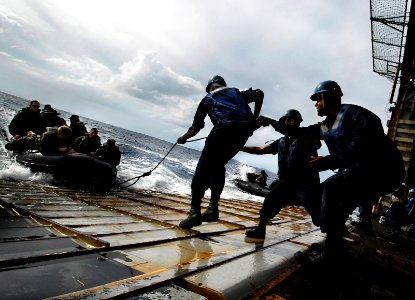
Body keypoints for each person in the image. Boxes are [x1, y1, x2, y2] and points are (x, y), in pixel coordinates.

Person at [258, 80, 405, 259]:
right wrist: (273, 122)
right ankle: (334, 247)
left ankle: (331, 254)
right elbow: (301, 132)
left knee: (332, 188)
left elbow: (362, 148)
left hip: (385, 169)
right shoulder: (326, 125)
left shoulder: (356, 115)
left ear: (329, 97)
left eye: (318, 99)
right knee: (335, 200)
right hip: (364, 171)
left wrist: (327, 161)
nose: (315, 103)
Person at [176, 75, 264, 229]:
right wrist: (254, 118)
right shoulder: (237, 93)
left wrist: (183, 138)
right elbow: (259, 94)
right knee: (218, 167)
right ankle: (212, 208)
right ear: (223, 84)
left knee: (201, 171)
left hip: (222, 131)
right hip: (242, 134)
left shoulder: (208, 98)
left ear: (210, 87)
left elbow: (195, 128)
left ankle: (194, 213)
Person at [243, 109, 322, 241]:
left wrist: (272, 122)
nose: (290, 121)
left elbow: (317, 143)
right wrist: (239, 147)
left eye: (293, 119)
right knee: (269, 202)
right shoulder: (280, 142)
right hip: (286, 182)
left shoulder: (306, 136)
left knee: (317, 214)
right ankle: (260, 230)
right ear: (283, 122)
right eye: (287, 119)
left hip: (305, 183)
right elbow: (260, 150)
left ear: (298, 122)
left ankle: (334, 234)